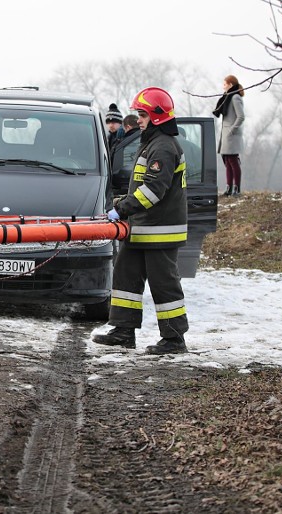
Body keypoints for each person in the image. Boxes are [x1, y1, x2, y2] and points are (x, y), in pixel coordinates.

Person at [92, 87, 189, 355]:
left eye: (143, 114)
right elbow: (142, 186)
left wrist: (121, 209)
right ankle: (123, 331)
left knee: (164, 284)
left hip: (160, 231)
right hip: (142, 228)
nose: (139, 120)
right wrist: (121, 205)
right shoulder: (152, 143)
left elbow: (152, 191)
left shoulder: (164, 147)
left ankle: (174, 339)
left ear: (157, 116)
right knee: (126, 276)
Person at [213, 75, 246, 197]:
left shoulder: (235, 97)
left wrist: (232, 130)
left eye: (225, 84)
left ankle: (236, 189)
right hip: (226, 134)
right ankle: (229, 188)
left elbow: (241, 116)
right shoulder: (227, 97)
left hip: (232, 135)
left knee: (233, 160)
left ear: (230, 85)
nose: (223, 86)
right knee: (227, 160)